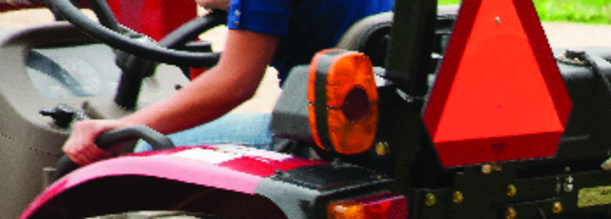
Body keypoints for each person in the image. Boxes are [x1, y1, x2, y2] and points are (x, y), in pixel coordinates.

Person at [62, 0, 392, 165]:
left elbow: (234, 84)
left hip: (322, 141)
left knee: (148, 145)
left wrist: (122, 129)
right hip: (387, 124)